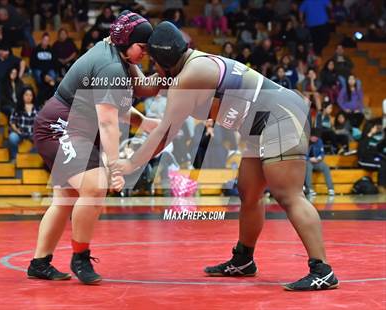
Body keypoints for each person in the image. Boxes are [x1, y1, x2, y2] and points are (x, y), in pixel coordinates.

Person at [117, 21, 339, 291]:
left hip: (279, 115)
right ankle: (244, 259)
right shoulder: (185, 66)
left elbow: (164, 135)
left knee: (288, 194)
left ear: (163, 62)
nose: (152, 67)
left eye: (153, 61)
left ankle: (322, 269)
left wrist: (129, 163)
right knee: (249, 192)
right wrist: (124, 53)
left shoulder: (189, 77)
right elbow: (143, 87)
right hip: (261, 121)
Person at [27, 11, 161, 285]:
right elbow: (110, 123)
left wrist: (143, 121)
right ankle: (80, 257)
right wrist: (113, 169)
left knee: (64, 199)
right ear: (126, 41)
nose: (144, 55)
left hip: (75, 125)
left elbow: (132, 96)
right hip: (61, 126)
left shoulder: (116, 51)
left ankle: (40, 263)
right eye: (142, 49)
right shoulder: (111, 67)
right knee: (95, 186)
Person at [8, 86, 38, 160]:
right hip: (20, 133)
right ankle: (14, 158)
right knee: (12, 137)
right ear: (23, 96)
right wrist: (16, 130)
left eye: (30, 95)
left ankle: (31, 154)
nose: (28, 97)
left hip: (33, 134)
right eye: (26, 95)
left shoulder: (37, 108)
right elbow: (12, 121)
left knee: (44, 141)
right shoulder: (18, 107)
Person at [304, 128, 335, 197]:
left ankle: (331, 189)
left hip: (316, 161)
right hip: (307, 162)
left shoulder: (319, 141)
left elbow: (322, 153)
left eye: (316, 137)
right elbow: (301, 155)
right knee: (308, 167)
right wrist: (309, 158)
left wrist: (319, 158)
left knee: (325, 167)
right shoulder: (305, 142)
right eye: (314, 137)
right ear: (310, 136)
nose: (315, 138)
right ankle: (309, 189)